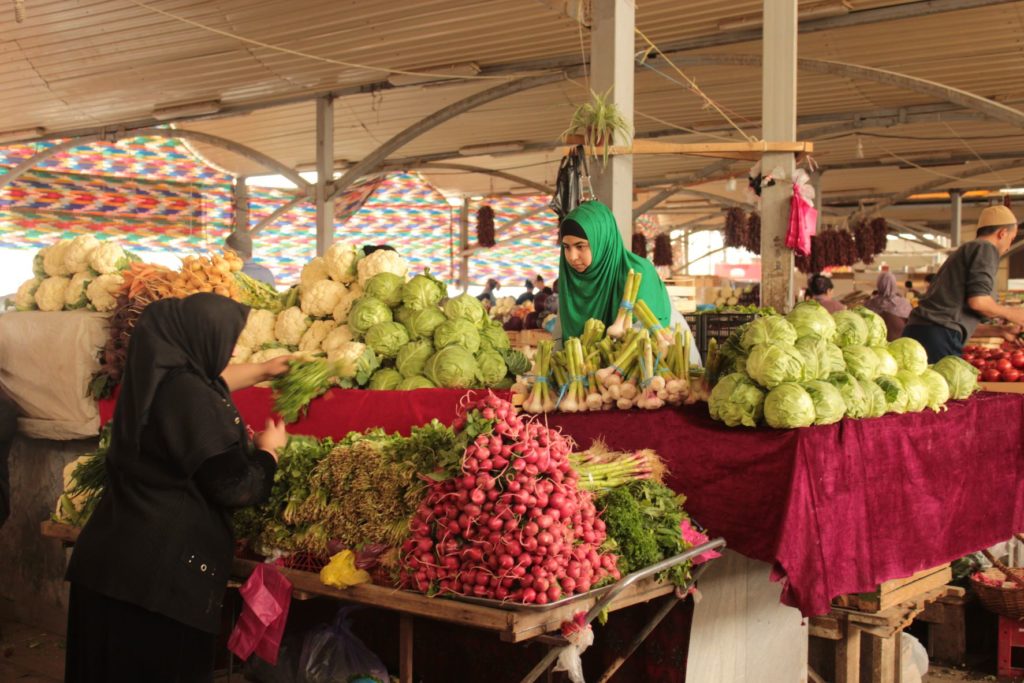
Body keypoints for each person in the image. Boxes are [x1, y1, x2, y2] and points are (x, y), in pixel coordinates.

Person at [64, 293, 292, 683]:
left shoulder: (153, 377)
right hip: (156, 587)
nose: (231, 348)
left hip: (110, 570)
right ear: (199, 340)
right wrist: (268, 454)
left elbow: (213, 379)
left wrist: (262, 370)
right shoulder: (189, 397)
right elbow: (235, 488)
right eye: (226, 339)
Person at [556, 200, 701, 366]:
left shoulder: (638, 272)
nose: (572, 256)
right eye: (566, 247)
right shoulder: (571, 279)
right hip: (602, 375)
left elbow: (646, 342)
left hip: (663, 365)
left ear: (602, 242)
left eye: (580, 246)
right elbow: (561, 338)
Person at [903, 205, 1024, 363]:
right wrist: (1013, 313)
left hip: (919, 331)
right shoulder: (986, 249)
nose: (1009, 246)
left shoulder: (966, 250)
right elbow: (978, 302)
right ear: (1003, 233)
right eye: (1012, 239)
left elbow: (953, 322)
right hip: (937, 338)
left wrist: (1000, 330)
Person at [864, 272, 913, 342]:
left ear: (878, 284)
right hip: (898, 343)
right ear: (894, 284)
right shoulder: (904, 304)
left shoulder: (869, 303)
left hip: (875, 344)